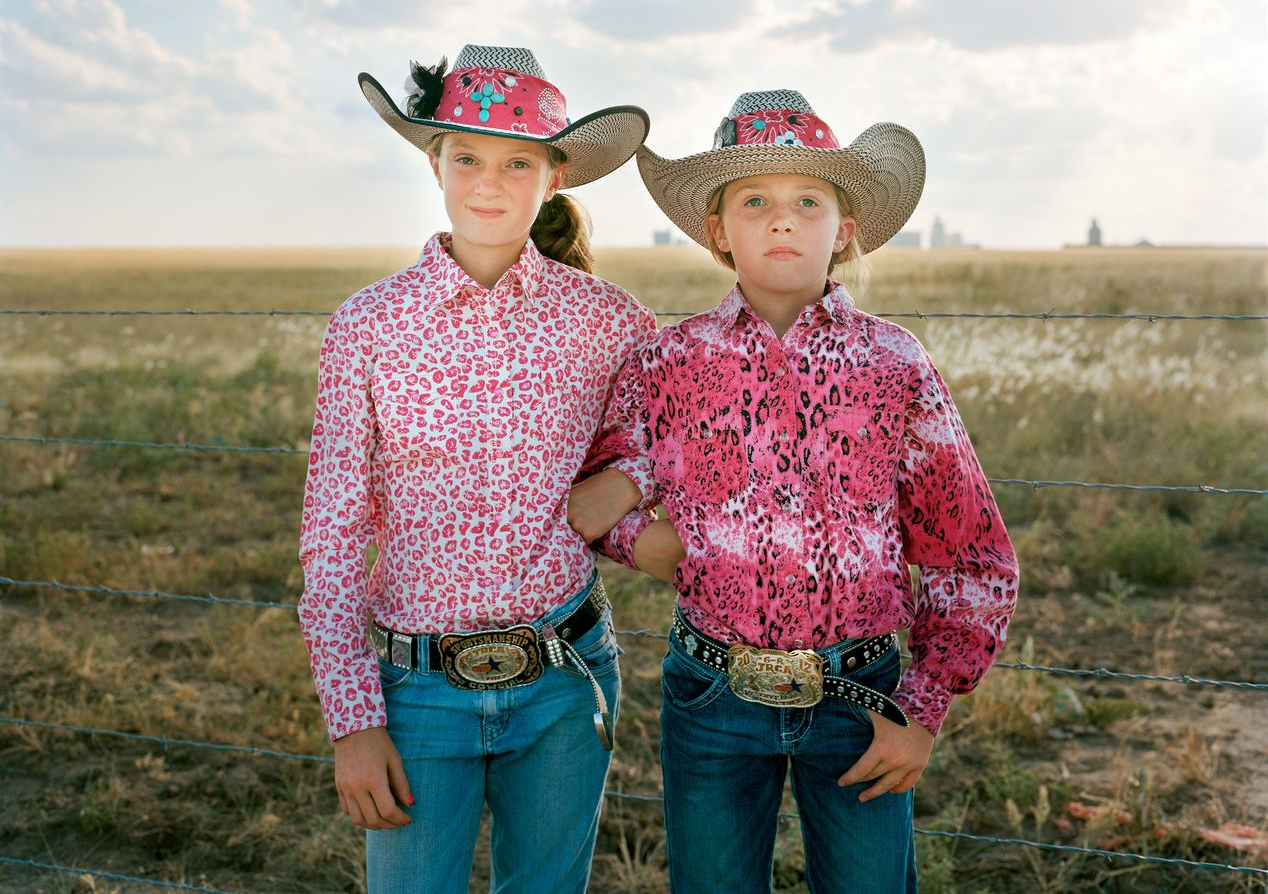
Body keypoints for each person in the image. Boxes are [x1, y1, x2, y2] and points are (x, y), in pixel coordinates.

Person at [572, 90, 1019, 893]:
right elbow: (599, 494)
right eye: (755, 202)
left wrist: (920, 709)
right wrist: (650, 540)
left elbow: (971, 553)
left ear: (842, 230)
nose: (783, 221)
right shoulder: (668, 362)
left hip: (863, 694)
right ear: (718, 230)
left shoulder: (893, 363)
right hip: (713, 694)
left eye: (807, 202)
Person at [297, 44, 655, 894]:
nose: (488, 183)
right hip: (417, 690)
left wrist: (628, 483)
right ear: (435, 162)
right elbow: (335, 533)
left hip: (565, 682)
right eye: (466, 157)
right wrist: (354, 722)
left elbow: (685, 428)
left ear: (555, 174)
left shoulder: (607, 321)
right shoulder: (369, 325)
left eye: (517, 162)